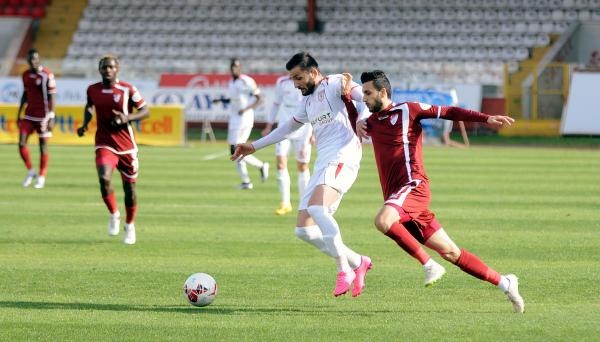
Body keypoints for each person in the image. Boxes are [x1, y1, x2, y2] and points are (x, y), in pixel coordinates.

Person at [353, 70, 524, 313]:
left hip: (413, 186)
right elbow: (348, 107)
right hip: (401, 199)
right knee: (451, 252)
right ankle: (505, 282)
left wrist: (486, 119)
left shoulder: (408, 109)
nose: (364, 98)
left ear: (383, 92)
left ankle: (428, 265)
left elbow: (449, 111)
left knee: (383, 220)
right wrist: (357, 121)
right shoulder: (370, 122)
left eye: (368, 93)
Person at [232, 52, 372, 297]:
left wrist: (363, 118)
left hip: (343, 157)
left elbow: (365, 96)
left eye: (298, 78)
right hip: (324, 163)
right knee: (304, 230)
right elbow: (287, 128)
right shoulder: (307, 102)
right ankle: (358, 262)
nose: (295, 84)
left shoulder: (335, 83)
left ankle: (343, 270)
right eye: (292, 79)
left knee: (318, 210)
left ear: (314, 72)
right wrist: (253, 146)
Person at [76, 55, 150, 245]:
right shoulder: (92, 89)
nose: (107, 70)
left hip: (126, 147)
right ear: (99, 70)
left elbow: (145, 111)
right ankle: (114, 213)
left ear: (117, 68)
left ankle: (130, 225)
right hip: (104, 143)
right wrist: (85, 124)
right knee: (104, 178)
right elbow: (89, 106)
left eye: (110, 67)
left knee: (129, 189)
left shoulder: (128, 89)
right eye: (104, 67)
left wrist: (127, 118)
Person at [213, 58, 269, 190]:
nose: (234, 69)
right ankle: (246, 181)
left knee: (236, 149)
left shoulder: (247, 81)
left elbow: (260, 98)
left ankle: (261, 166)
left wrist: (246, 109)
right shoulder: (231, 82)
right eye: (232, 67)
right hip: (234, 118)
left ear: (240, 68)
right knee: (234, 150)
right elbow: (233, 99)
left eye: (236, 67)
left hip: (244, 118)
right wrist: (220, 100)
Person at [261, 74, 312, 215]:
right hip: (284, 128)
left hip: (303, 130)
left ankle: (304, 203)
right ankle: (285, 203)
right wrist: (269, 125)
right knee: (280, 164)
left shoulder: (307, 81)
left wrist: (314, 132)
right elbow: (276, 103)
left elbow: (315, 108)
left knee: (302, 166)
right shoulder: (282, 82)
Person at [17, 48, 56, 189]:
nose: (33, 61)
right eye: (30, 59)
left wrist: (52, 116)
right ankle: (31, 171)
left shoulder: (47, 75)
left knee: (42, 147)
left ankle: (41, 176)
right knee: (21, 143)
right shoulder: (25, 75)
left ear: (39, 59)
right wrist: (18, 114)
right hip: (28, 115)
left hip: (43, 116)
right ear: (27, 60)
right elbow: (25, 94)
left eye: (35, 58)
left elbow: (52, 96)